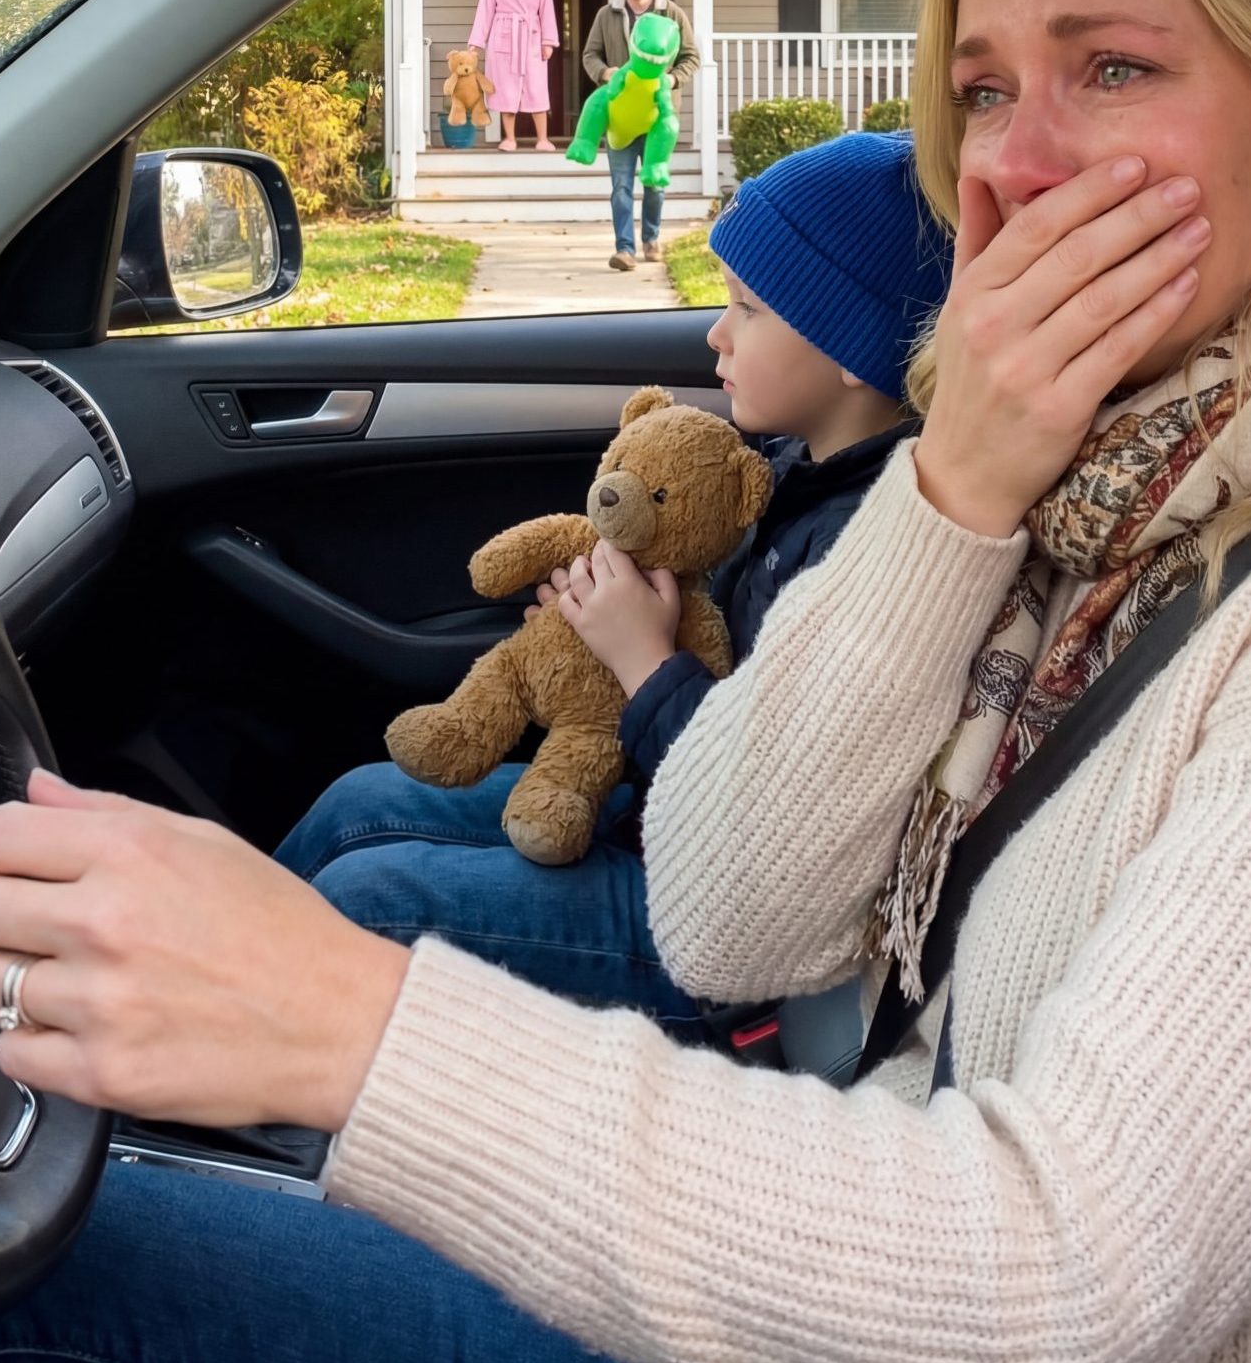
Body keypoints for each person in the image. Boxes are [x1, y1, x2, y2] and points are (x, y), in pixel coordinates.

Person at [0, 0, 1251, 1363]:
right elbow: (722, 918)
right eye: (976, 91)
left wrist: (342, 1021)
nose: (1009, 166)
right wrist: (951, 488)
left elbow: (1051, 1285)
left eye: (1109, 68)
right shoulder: (1088, 502)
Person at [274, 130, 950, 1037]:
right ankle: (193, 987)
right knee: (361, 800)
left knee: (371, 893)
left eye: (745, 309)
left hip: (708, 930)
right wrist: (608, 617)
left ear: (848, 348)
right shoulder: (793, 468)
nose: (714, 331)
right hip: (649, 813)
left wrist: (640, 658)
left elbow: (768, 813)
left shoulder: (866, 546)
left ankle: (232, 1082)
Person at [581, 0, 699, 269]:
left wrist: (672, 79)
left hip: (658, 118)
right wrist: (606, 74)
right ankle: (624, 249)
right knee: (621, 186)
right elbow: (590, 54)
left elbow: (692, 57)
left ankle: (651, 238)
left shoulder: (672, 14)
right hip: (619, 116)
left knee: (655, 185)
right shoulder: (608, 15)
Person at [466, 0, 559, 152]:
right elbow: (485, 10)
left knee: (536, 87)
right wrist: (476, 43)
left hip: (532, 37)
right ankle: (509, 138)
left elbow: (546, 10)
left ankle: (543, 139)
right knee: (506, 88)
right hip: (504, 36)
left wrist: (548, 41)